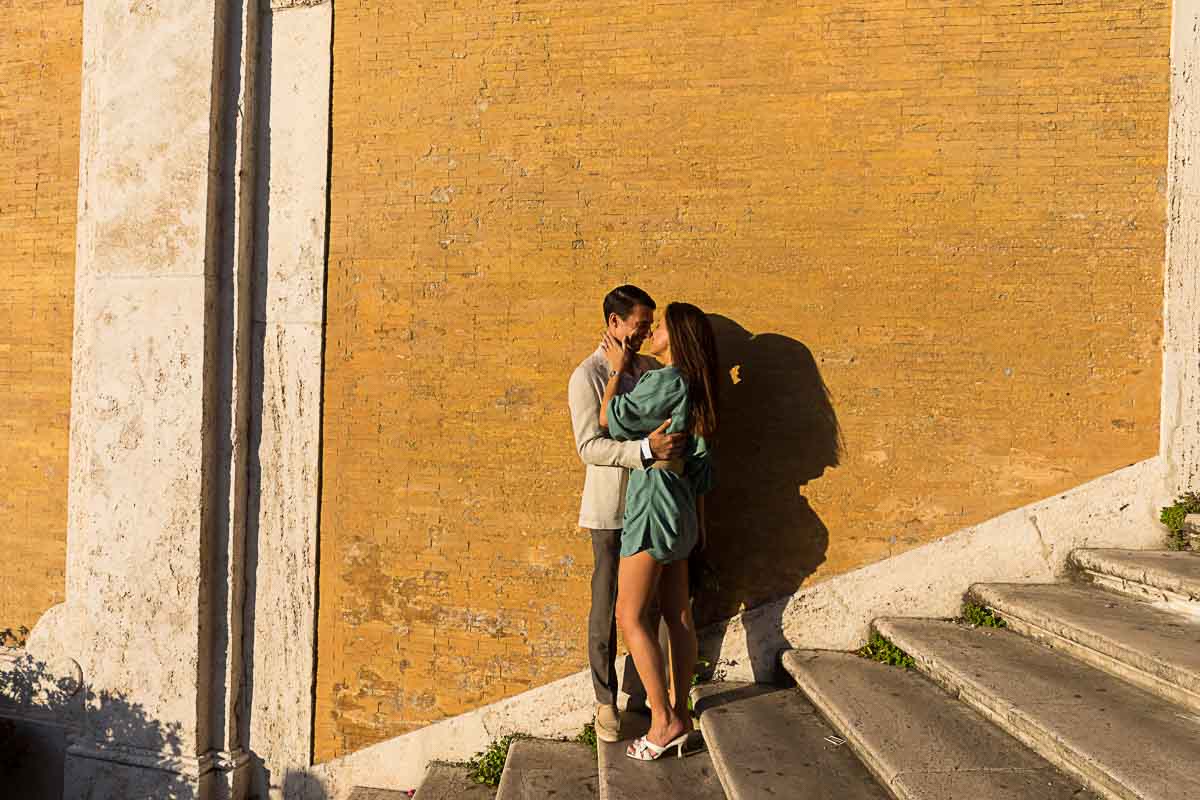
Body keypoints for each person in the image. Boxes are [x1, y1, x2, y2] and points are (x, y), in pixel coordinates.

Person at [568, 285, 688, 743]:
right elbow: (589, 446)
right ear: (613, 324)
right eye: (638, 326)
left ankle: (646, 696)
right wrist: (645, 448)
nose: (643, 334)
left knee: (648, 607)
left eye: (647, 327)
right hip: (610, 509)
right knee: (607, 609)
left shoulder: (651, 369)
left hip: (650, 505)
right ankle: (605, 702)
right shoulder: (587, 376)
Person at [600, 301, 718, 762]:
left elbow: (613, 420)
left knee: (629, 616)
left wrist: (616, 370)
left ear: (678, 336)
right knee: (678, 614)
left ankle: (663, 720)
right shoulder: (700, 388)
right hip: (683, 506)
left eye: (660, 326)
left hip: (653, 502)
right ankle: (681, 711)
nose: (652, 333)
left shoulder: (667, 380)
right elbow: (704, 468)